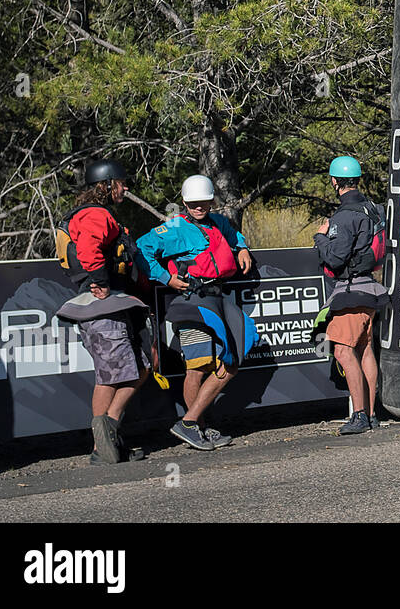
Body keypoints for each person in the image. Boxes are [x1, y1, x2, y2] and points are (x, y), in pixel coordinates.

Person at [136, 174, 254, 452]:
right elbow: (142, 248)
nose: (198, 207)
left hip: (218, 300)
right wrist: (167, 278)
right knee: (198, 366)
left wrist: (243, 247)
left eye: (203, 202)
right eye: (192, 203)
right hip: (190, 302)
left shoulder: (219, 223)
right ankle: (196, 426)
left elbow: (233, 235)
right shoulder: (175, 227)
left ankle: (192, 423)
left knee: (230, 362)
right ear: (184, 203)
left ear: (212, 200)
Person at [54, 159, 151, 464]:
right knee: (109, 377)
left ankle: (108, 437)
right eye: (121, 183)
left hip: (113, 302)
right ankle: (102, 445)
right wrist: (99, 282)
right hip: (102, 303)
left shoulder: (97, 214)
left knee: (143, 365)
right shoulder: (95, 214)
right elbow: (89, 249)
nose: (125, 188)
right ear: (106, 186)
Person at [314, 156, 389, 436]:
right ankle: (371, 414)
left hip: (350, 291)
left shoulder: (344, 216)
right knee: (365, 350)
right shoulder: (374, 209)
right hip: (371, 290)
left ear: (334, 181)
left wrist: (321, 237)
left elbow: (335, 259)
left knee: (344, 351)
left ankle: (359, 415)